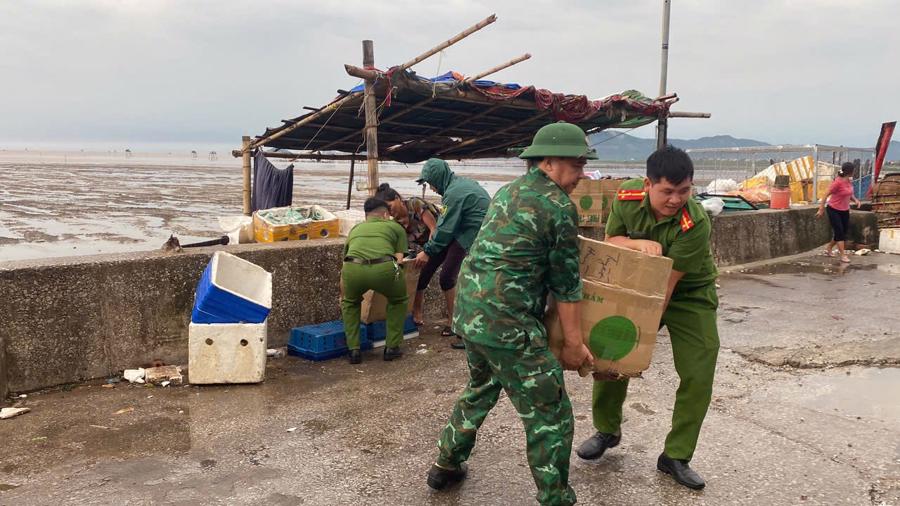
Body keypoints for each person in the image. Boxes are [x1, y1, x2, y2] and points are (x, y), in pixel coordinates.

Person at [426, 122, 595, 506]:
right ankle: (556, 498)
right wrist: (573, 344)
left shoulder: (508, 191)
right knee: (549, 411)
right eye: (577, 165)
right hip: (508, 323)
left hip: (471, 313)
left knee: (482, 386)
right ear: (549, 163)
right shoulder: (557, 207)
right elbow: (567, 287)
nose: (582, 175)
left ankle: (446, 464)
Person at [576, 146, 719, 491]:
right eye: (667, 191)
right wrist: (638, 244)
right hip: (634, 283)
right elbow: (611, 241)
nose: (675, 200)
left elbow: (668, 287)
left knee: (699, 371)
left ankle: (676, 456)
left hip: (687, 293)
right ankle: (607, 429)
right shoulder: (627, 198)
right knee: (612, 347)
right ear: (648, 184)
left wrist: (645, 332)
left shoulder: (695, 222)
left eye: (684, 191)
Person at [412, 158, 490, 349]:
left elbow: (445, 229)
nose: (431, 188)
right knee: (429, 265)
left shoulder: (454, 193)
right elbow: (446, 226)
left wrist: (427, 250)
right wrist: (429, 253)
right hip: (461, 230)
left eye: (431, 183)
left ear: (438, 178)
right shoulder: (457, 185)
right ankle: (429, 316)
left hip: (473, 233)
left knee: (447, 277)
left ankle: (459, 326)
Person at [340, 197, 409, 364]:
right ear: (385, 214)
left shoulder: (356, 229)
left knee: (349, 303)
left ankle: (354, 351)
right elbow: (399, 259)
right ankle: (391, 348)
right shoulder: (395, 227)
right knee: (398, 300)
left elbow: (345, 258)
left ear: (366, 216)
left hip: (352, 268)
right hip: (383, 268)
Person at [373, 183, 442, 323]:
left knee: (446, 277)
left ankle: (421, 312)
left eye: (390, 207)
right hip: (426, 246)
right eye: (386, 211)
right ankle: (414, 312)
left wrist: (427, 252)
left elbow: (434, 228)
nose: (390, 213)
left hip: (443, 238)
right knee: (416, 274)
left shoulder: (415, 204)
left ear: (398, 198)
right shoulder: (396, 224)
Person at [817, 162, 861, 263]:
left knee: (842, 233)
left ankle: (829, 248)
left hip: (844, 210)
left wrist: (856, 200)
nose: (854, 172)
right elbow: (825, 195)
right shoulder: (837, 182)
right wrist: (821, 209)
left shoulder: (849, 182)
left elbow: (849, 193)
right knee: (840, 232)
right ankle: (842, 255)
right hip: (833, 209)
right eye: (853, 170)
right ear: (850, 172)